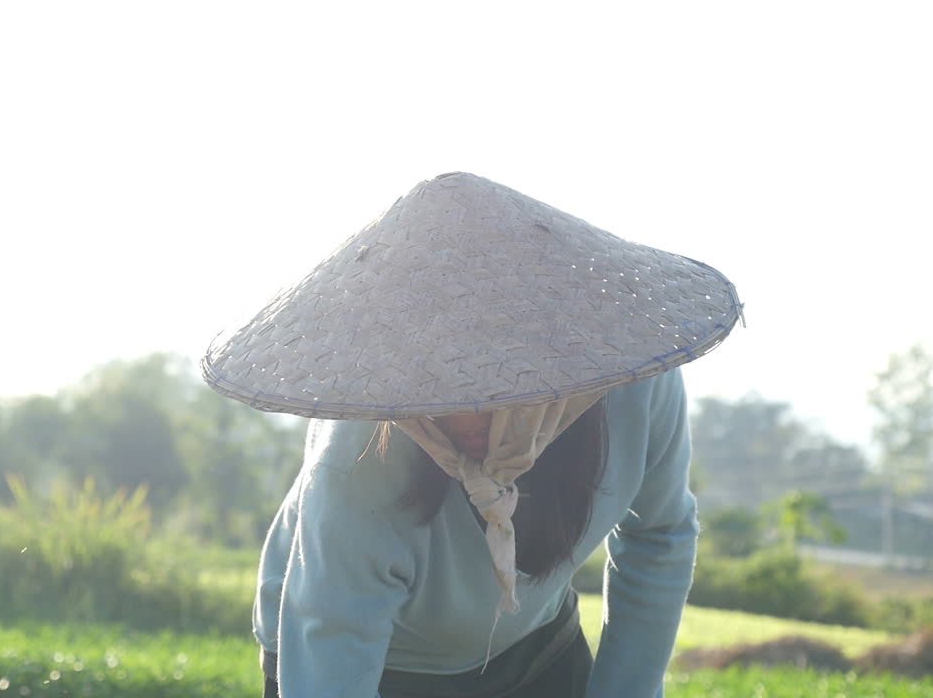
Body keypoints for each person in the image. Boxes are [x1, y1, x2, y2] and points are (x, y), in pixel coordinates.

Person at [201, 172, 743, 697]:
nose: (465, 419)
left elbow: (660, 537)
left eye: (495, 383)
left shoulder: (636, 385)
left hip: (533, 644)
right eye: (438, 387)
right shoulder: (358, 455)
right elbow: (332, 638)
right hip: (382, 660)